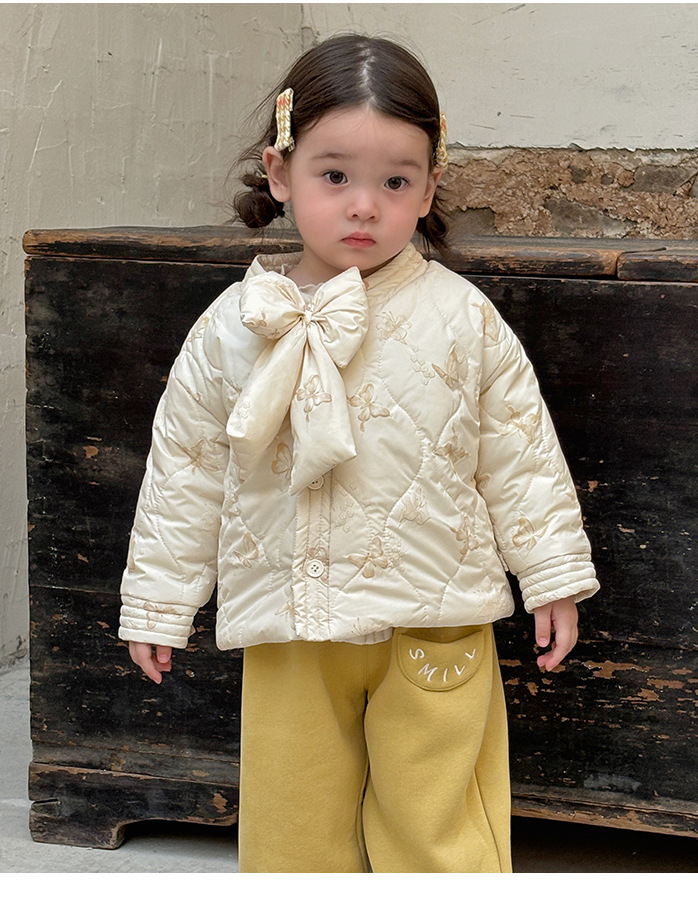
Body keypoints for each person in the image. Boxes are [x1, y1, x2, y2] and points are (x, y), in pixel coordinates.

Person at [119, 33, 599, 873]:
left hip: (434, 618)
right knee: (292, 831)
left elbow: (519, 454)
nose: (364, 206)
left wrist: (551, 574)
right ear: (280, 172)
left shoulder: (463, 319)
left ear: (430, 188)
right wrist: (160, 602)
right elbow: (185, 473)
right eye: (334, 175)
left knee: (439, 831)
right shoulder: (233, 327)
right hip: (290, 628)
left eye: (395, 182)